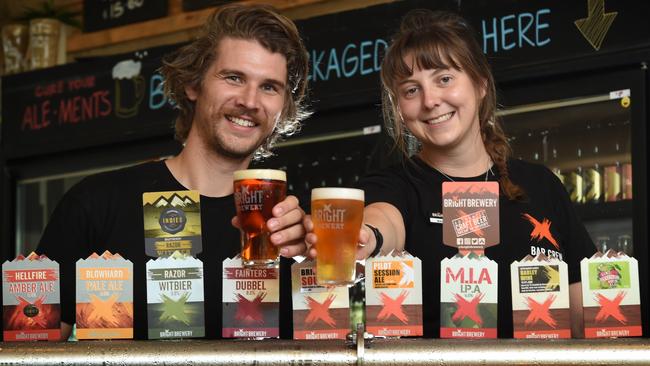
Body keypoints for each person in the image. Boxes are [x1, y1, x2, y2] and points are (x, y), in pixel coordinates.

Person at [305, 9, 596, 338]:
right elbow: (383, 223)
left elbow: (581, 307)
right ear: (399, 109)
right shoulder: (392, 186)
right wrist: (368, 238)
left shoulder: (541, 185)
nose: (430, 101)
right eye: (411, 90)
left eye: (444, 79)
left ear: (480, 84)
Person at [37, 3, 310, 340]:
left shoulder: (290, 232)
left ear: (283, 108)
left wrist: (307, 260)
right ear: (193, 85)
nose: (250, 101)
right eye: (234, 77)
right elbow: (29, 348)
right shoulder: (96, 204)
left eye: (269, 87)